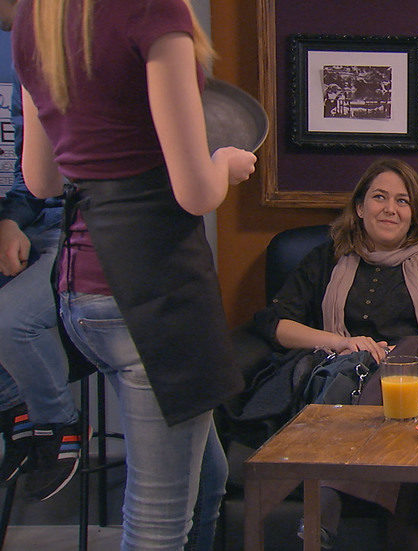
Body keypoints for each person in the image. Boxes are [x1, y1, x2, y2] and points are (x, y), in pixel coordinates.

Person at [13, 0, 257, 549]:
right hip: (155, 295)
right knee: (156, 526)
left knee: (208, 481)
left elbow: (41, 180)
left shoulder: (37, 16)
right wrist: (226, 163)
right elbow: (196, 193)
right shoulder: (152, 9)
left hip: (79, 292)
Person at [252, 158, 418, 549]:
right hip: (357, 391)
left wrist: (393, 356)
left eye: (403, 200)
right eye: (379, 197)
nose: (390, 209)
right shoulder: (326, 259)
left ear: (415, 212)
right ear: (359, 207)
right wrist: (340, 342)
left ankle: (328, 498)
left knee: (412, 353)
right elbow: (274, 324)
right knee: (409, 433)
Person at [0, 0, 81, 503]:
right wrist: (9, 221)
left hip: (69, 229)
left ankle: (57, 425)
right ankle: (18, 412)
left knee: (10, 320)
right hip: (27, 225)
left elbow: (46, 179)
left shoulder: (59, 45)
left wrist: (14, 217)